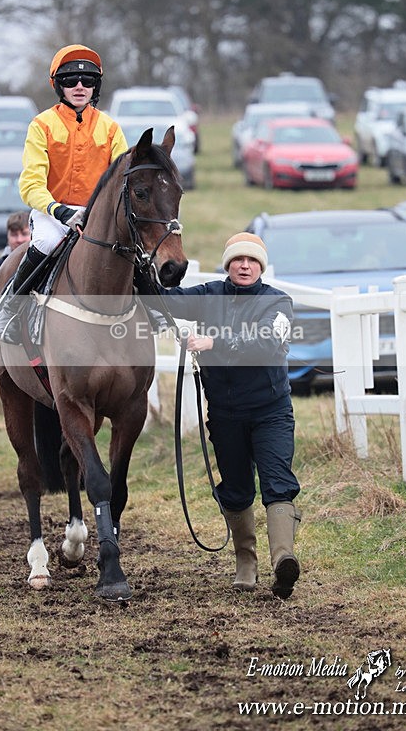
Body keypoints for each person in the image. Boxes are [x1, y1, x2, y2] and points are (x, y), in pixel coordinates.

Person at [157, 232, 301, 599]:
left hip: (271, 412)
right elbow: (162, 301)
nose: (245, 265)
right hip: (225, 414)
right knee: (236, 488)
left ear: (261, 267)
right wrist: (142, 269)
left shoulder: (277, 302)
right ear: (228, 264)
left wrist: (214, 342)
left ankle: (284, 559)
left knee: (277, 482)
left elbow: (269, 342)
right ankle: (246, 563)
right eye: (238, 260)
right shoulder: (207, 296)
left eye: (252, 261)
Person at [0, 44, 128, 342]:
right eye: (70, 80)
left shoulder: (111, 128)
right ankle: (11, 309)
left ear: (96, 86)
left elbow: (122, 179)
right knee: (44, 242)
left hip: (96, 216)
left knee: (132, 248)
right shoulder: (41, 125)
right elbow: (30, 184)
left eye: (88, 80)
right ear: (58, 85)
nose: (79, 86)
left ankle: (153, 310)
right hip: (52, 214)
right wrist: (61, 211)